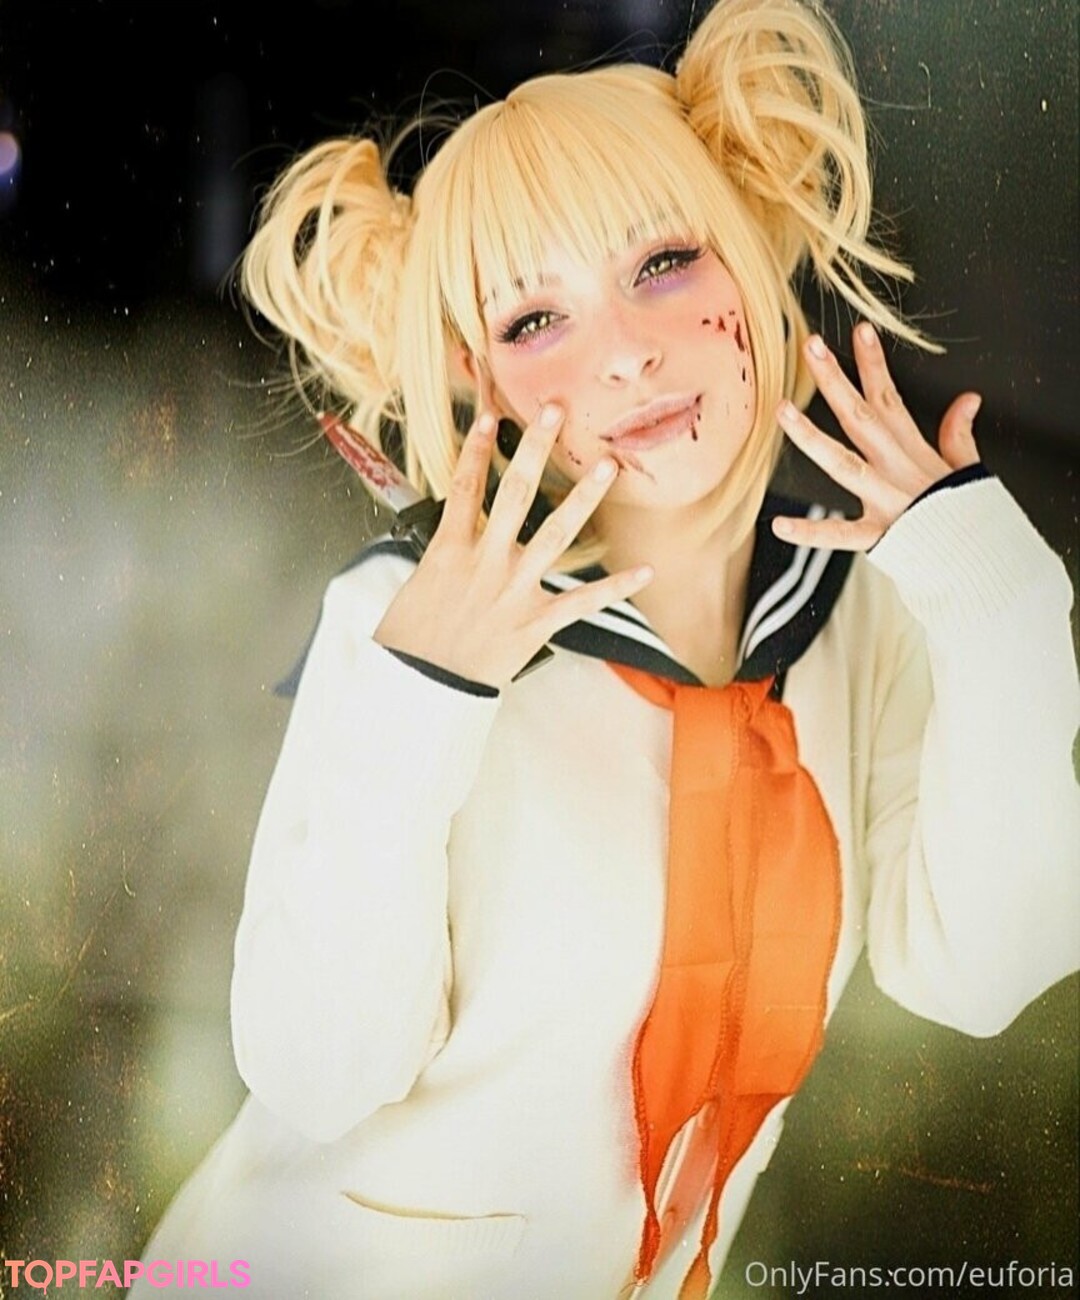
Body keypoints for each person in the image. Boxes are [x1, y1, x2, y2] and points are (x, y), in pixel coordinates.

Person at [132, 0, 1079, 1296]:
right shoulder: (407, 620)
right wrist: (420, 694)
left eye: (666, 262)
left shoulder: (863, 618)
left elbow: (981, 971)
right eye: (535, 321)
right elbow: (317, 1071)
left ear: (752, 248)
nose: (627, 353)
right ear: (474, 376)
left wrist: (1001, 608)